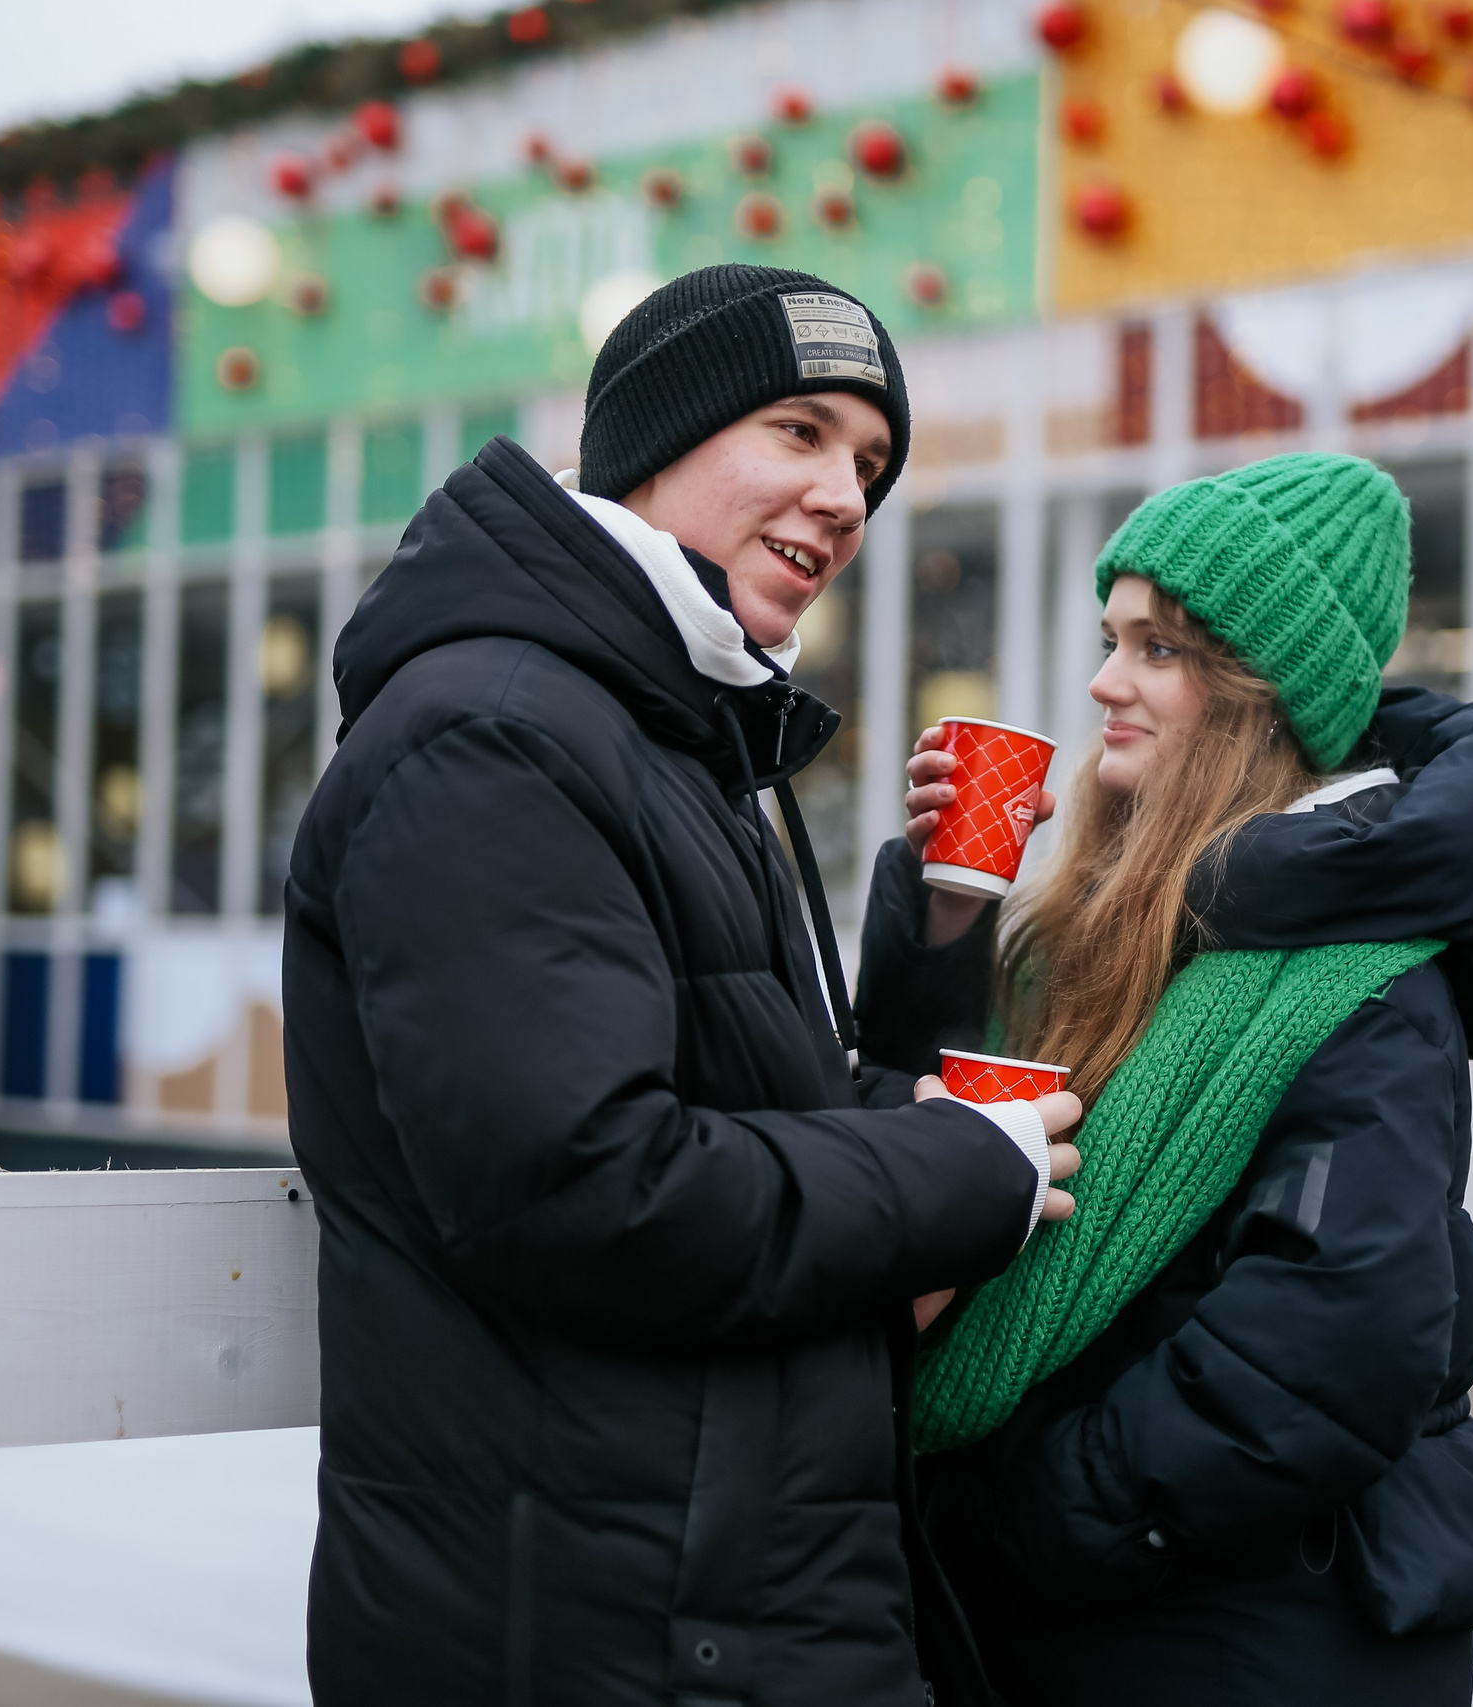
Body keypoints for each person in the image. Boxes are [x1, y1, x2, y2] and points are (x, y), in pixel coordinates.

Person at [281, 265, 1080, 1707]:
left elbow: (752, 1105)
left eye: (870, 463)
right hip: (615, 1629)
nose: (844, 496)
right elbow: (592, 1186)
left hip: (714, 1598)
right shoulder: (497, 738)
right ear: (655, 439)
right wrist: (963, 1172)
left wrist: (936, 982)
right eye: (800, 430)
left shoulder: (668, 735)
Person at [857, 452, 1473, 1703]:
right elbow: (952, 1144)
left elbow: (1334, 1346)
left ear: (1258, 696)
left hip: (1252, 1626)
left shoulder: (1361, 978)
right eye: (1111, 639)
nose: (1103, 681)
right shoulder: (1121, 921)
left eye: (1157, 650)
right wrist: (949, 919)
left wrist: (1032, 1516)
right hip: (1114, 1612)